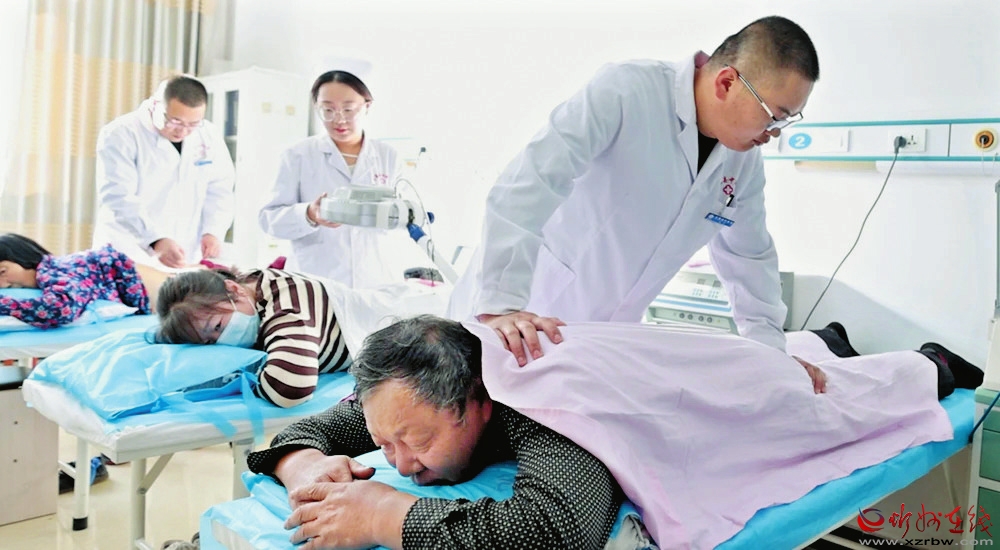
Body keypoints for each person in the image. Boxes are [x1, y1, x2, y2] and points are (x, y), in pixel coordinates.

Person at [245, 315, 981, 549]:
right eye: (387, 444)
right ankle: (819, 340)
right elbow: (325, 423)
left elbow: (559, 527)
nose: (400, 461)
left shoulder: (542, 406)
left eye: (417, 444)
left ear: (480, 402)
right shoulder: (417, 388)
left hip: (717, 391)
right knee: (776, 361)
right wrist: (301, 463)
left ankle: (925, 364)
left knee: (834, 405)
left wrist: (386, 514)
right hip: (659, 360)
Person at [447, 15, 819, 366]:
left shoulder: (743, 162)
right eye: (775, 115)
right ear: (726, 83)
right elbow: (531, 183)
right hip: (519, 313)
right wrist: (501, 306)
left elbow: (749, 258)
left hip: (601, 342)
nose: (775, 132)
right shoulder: (627, 91)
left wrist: (772, 356)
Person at [258, 69, 417, 288]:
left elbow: (407, 215)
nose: (339, 119)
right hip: (315, 281)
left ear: (367, 106)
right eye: (328, 110)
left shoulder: (388, 156)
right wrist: (309, 214)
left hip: (376, 279)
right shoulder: (297, 155)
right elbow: (269, 219)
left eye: (348, 109)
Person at [93, 74, 235, 269]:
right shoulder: (121, 133)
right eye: (175, 121)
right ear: (155, 105)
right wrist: (155, 239)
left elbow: (220, 188)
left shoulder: (208, 134)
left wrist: (213, 231)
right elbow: (118, 196)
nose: (183, 131)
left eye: (193, 124)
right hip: (128, 248)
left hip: (184, 250)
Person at [154, 268, 351, 408]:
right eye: (210, 342)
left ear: (234, 289)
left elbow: (291, 388)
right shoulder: (250, 292)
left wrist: (242, 378)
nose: (223, 341)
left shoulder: (288, 304)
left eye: (218, 326)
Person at [0, 233, 152, 328]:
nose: (2, 284)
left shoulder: (55, 271)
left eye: (2, 272)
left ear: (23, 257)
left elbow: (61, 309)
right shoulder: (55, 269)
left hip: (152, 291)